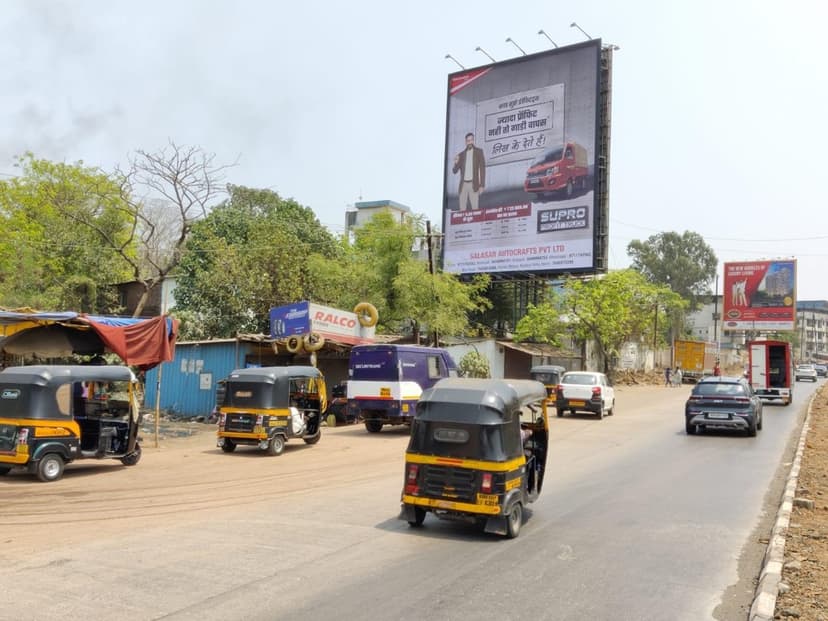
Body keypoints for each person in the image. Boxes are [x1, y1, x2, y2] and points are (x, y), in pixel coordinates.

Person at [452, 132, 486, 211]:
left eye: (471, 140)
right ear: (465, 142)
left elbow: (482, 169)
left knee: (475, 209)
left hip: (473, 184)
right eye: (468, 141)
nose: (469, 142)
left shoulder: (479, 152)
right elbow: (454, 171)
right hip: (463, 185)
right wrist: (455, 163)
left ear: (473, 141)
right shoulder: (461, 155)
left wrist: (482, 185)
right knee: (462, 210)